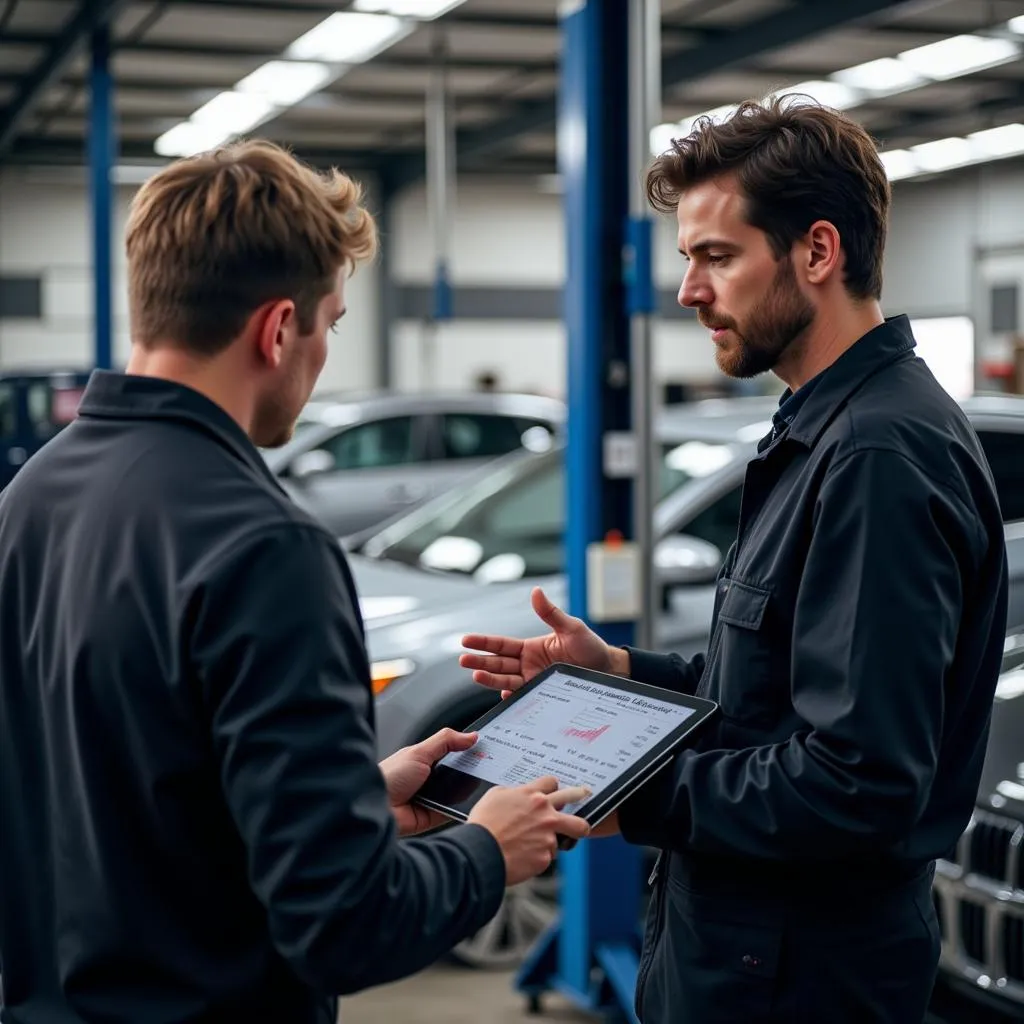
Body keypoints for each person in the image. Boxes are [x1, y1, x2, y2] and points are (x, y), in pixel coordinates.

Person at [0, 139, 591, 1024]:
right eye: (332, 326)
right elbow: (343, 925)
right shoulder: (265, 547)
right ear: (279, 330)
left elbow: (131, 804)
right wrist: (485, 849)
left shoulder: (31, 495)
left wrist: (354, 806)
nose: (322, 362)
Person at [460, 96, 1009, 1024]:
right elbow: (775, 695)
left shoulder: (880, 456)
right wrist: (625, 675)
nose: (689, 290)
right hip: (745, 951)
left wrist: (622, 784)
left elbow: (857, 783)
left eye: (717, 257)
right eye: (688, 259)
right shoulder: (817, 427)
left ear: (818, 253)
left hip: (798, 978)